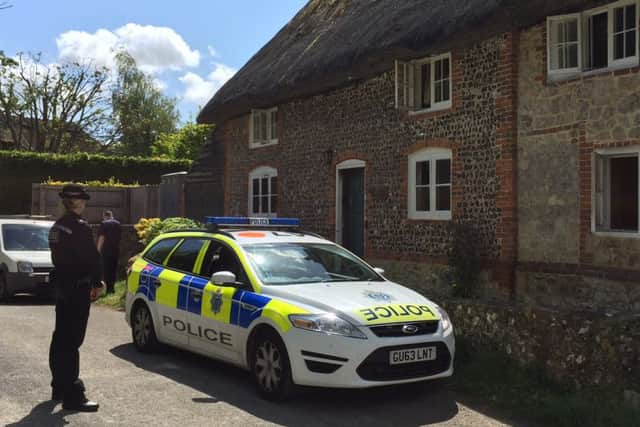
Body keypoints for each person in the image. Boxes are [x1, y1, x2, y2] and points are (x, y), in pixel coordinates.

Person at [48, 184, 104, 412]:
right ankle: (73, 394)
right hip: (77, 288)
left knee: (60, 338)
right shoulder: (79, 227)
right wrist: (97, 282)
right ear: (80, 202)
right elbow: (92, 258)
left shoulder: (57, 227)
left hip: (62, 287)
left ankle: (58, 387)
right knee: (72, 342)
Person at [97, 210, 121, 294]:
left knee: (106, 268)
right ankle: (112, 287)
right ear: (112, 215)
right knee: (113, 268)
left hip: (106, 250)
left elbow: (102, 238)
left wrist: (98, 250)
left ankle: (108, 288)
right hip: (115, 249)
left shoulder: (104, 224)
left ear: (105, 216)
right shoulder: (118, 224)